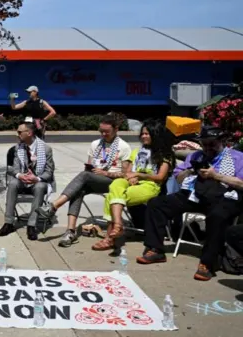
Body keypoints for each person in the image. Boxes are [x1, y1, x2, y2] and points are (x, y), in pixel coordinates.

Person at [136, 126, 243, 281]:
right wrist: (190, 171)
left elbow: (241, 184)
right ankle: (155, 248)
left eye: (211, 144)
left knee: (217, 216)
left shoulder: (238, 158)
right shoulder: (196, 156)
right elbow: (179, 177)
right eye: (204, 144)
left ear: (222, 142)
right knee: (157, 204)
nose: (207, 148)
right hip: (196, 194)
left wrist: (216, 176)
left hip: (225, 196)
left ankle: (208, 263)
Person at [36, 114, 132, 248]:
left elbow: (126, 174)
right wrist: (92, 169)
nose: (103, 134)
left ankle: (53, 206)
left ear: (116, 129)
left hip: (113, 182)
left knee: (84, 176)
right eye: (101, 131)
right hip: (95, 179)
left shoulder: (124, 147)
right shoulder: (95, 144)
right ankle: (70, 231)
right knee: (78, 189)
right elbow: (89, 167)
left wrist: (105, 172)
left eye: (107, 132)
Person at [93, 120, 175, 250]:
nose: (143, 136)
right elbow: (128, 172)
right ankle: (118, 226)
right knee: (117, 184)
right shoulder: (137, 151)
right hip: (132, 182)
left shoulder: (165, 155)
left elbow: (160, 177)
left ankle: (110, 237)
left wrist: (140, 175)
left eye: (147, 134)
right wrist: (130, 177)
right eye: (142, 134)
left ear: (156, 134)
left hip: (150, 185)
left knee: (111, 198)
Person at [0, 122, 55, 240]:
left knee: (40, 187)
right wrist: (20, 175)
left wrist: (37, 178)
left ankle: (31, 225)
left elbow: (49, 172)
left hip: (38, 180)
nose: (17, 135)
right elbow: (13, 168)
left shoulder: (46, 149)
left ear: (29, 133)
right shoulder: (18, 148)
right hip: (23, 179)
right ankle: (8, 223)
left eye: (19, 132)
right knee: (13, 183)